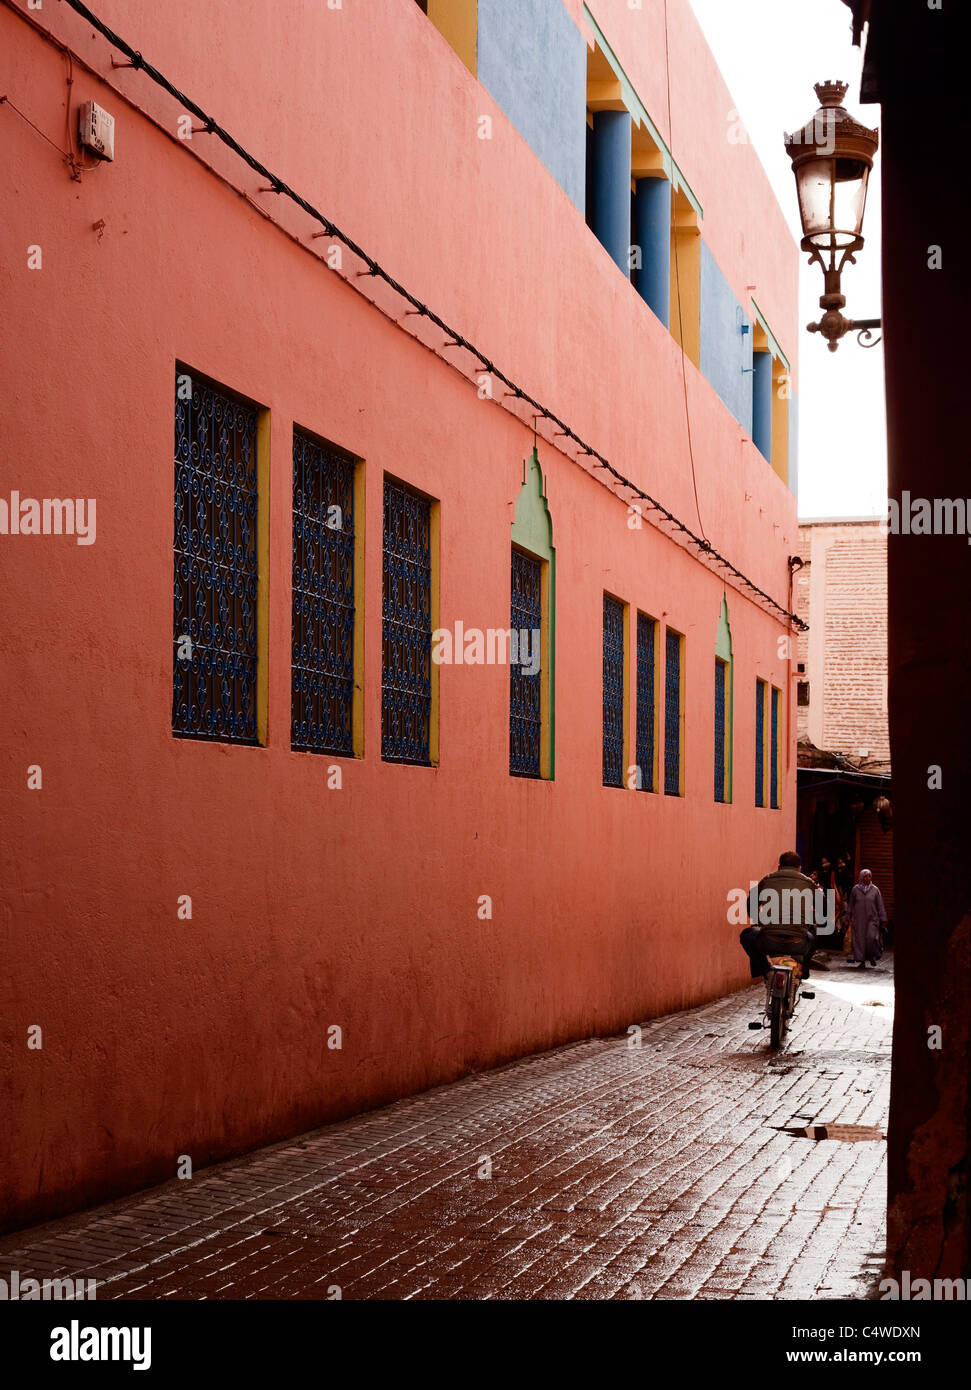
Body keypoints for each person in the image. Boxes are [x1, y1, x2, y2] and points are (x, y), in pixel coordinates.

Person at [740, 850, 823, 981]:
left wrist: (759, 920)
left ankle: (765, 970)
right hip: (798, 943)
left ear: (779, 866)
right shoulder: (809, 883)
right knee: (813, 937)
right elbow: (824, 908)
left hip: (768, 942)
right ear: (799, 868)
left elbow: (751, 903)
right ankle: (804, 970)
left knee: (746, 935)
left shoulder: (767, 880)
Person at [848, 869, 887, 969]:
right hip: (859, 920)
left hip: (872, 919)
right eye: (865, 876)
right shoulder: (855, 889)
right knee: (860, 940)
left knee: (871, 938)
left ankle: (871, 956)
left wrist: (883, 918)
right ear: (861, 877)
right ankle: (861, 961)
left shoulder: (875, 890)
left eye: (869, 876)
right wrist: (848, 916)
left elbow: (880, 905)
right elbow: (851, 904)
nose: (868, 878)